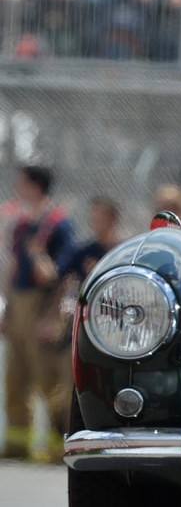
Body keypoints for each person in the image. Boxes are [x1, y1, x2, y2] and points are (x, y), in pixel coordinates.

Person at [2, 165, 76, 461]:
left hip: (41, 305)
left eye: (23, 183)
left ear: (36, 186)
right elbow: (11, 268)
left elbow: (57, 275)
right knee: (15, 378)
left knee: (46, 378)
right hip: (18, 304)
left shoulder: (57, 223)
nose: (18, 188)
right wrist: (6, 309)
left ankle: (59, 443)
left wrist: (52, 317)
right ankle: (17, 444)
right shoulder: (21, 224)